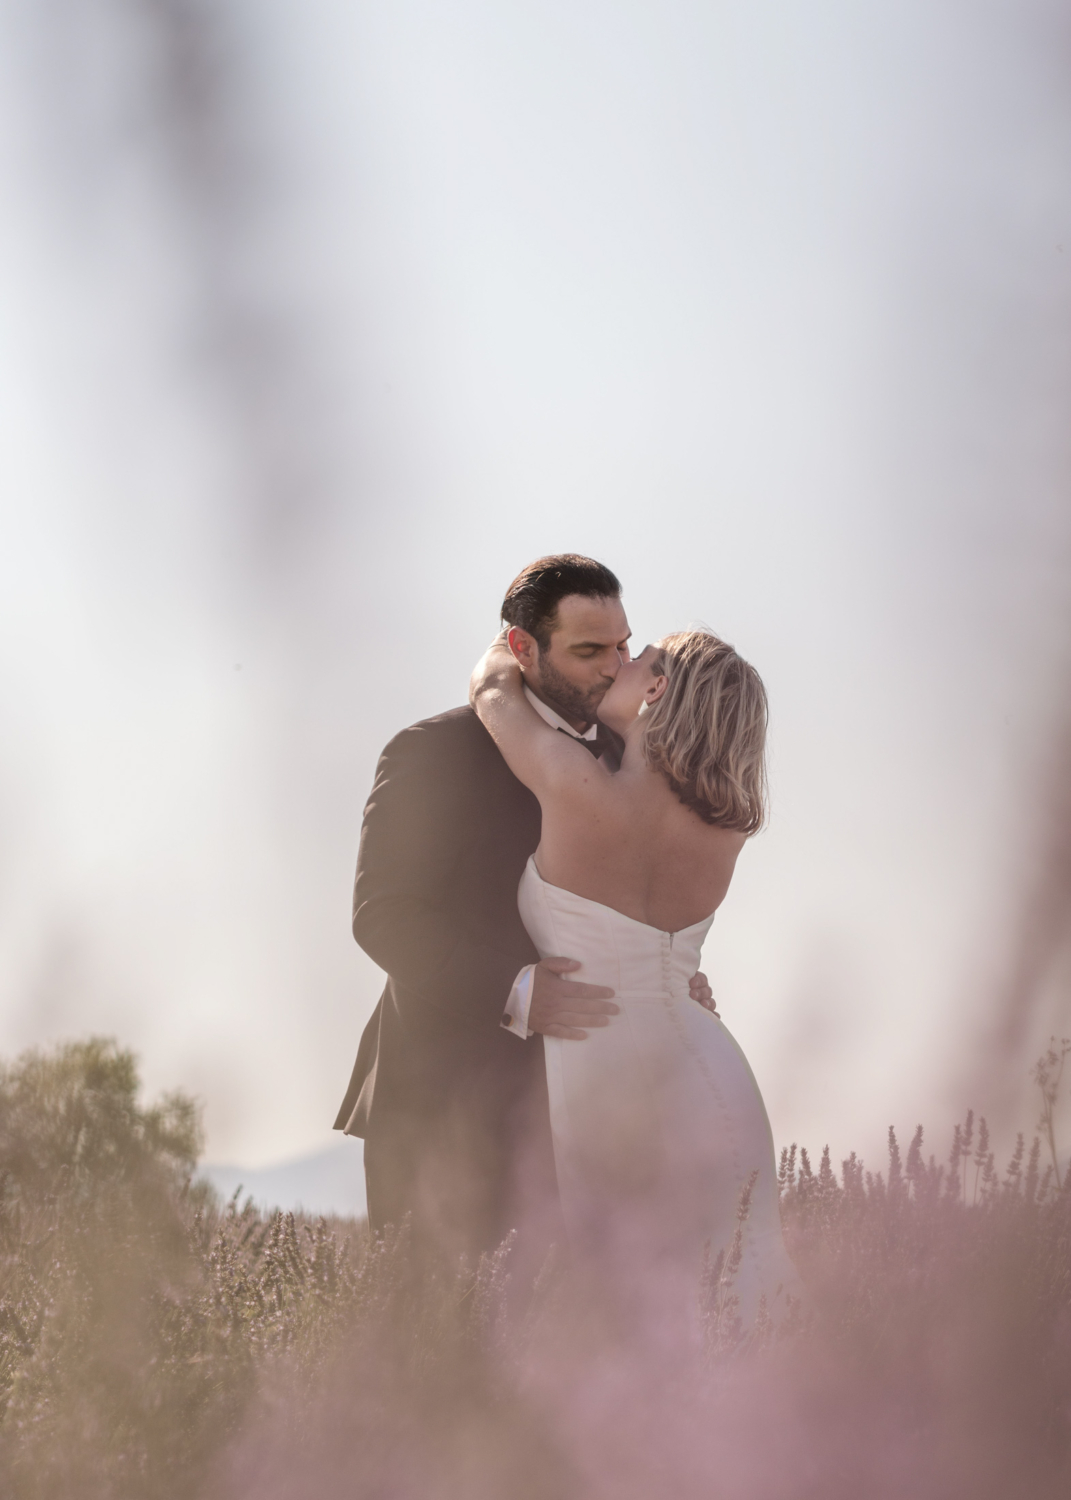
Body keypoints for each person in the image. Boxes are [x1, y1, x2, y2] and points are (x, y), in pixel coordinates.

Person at [333, 555, 716, 1260]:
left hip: (598, 1110)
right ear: (521, 649)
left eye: (623, 646)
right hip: (443, 1109)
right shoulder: (433, 751)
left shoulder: (632, 762)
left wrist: (668, 976)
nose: (612, 666)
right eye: (587, 650)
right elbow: (383, 913)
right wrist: (516, 991)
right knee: (440, 1351)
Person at [469, 627, 799, 1329]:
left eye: (639, 657)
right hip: (708, 1069)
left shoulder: (575, 783)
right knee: (737, 1297)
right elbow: (664, 952)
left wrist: (517, 646)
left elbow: (490, 691)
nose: (620, 663)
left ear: (655, 691)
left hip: (605, 1070)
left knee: (627, 1309)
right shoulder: (726, 829)